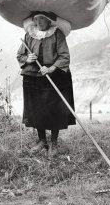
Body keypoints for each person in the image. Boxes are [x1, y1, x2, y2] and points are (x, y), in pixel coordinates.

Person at [16, 11, 76, 156]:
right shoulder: (29, 35)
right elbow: (20, 55)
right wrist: (28, 59)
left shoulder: (57, 34)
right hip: (33, 77)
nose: (39, 23)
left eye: (42, 19)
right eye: (36, 20)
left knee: (55, 110)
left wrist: (50, 68)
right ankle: (42, 140)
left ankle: (53, 143)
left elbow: (64, 57)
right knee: (37, 110)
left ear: (49, 21)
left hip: (54, 77)